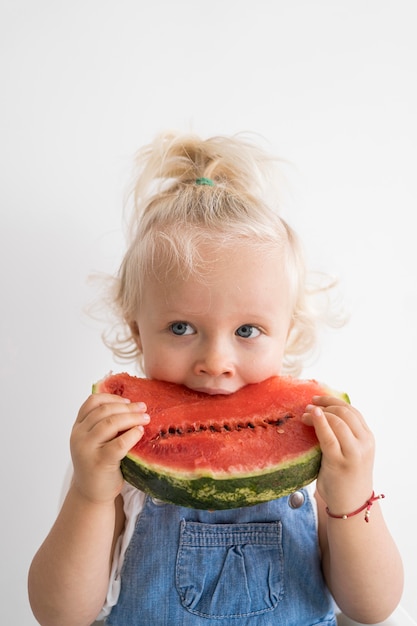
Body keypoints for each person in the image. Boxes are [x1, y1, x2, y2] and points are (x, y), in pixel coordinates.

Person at [28, 131, 403, 626]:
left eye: (248, 330)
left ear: (287, 334)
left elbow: (372, 607)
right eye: (181, 328)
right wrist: (91, 493)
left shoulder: (318, 448)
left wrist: (352, 493)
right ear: (137, 331)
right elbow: (60, 615)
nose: (216, 360)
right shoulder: (117, 456)